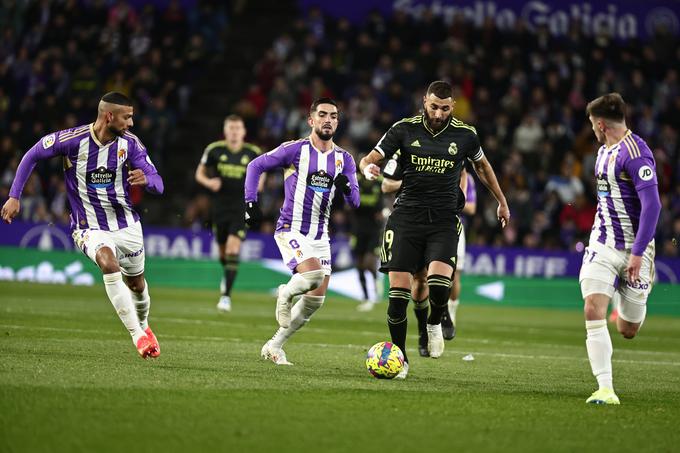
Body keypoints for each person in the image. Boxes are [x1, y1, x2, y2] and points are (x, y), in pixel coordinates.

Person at [359, 81, 509, 378]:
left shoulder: (466, 135)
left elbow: (483, 168)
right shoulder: (403, 129)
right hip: (405, 219)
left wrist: (501, 201)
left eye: (444, 108)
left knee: (440, 285)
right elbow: (370, 158)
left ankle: (434, 322)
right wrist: (367, 168)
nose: (438, 113)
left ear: (452, 107)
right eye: (433, 107)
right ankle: (400, 360)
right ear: (423, 102)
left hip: (443, 220)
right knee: (398, 294)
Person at [1, 92, 163, 359]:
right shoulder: (72, 140)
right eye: (127, 117)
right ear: (109, 116)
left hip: (126, 225)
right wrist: (14, 195)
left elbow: (159, 181)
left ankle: (144, 325)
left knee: (136, 284)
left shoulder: (130, 145)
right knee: (108, 263)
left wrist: (147, 180)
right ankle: (138, 336)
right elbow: (32, 155)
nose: (131, 123)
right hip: (88, 226)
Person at [243, 97, 360, 365]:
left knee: (315, 301)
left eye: (333, 115)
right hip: (291, 229)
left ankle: (274, 346)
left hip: (321, 236)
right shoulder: (295, 150)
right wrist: (251, 202)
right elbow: (255, 165)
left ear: (338, 122)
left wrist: (345, 187)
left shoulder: (345, 159)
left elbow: (355, 201)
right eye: (322, 114)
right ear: (311, 120)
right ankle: (285, 292)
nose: (327, 119)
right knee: (313, 275)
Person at [580, 93, 661, 405]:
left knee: (628, 328)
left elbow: (653, 206)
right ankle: (605, 388)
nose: (592, 130)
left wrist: (638, 253)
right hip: (602, 242)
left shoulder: (636, 154)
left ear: (600, 124)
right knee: (591, 307)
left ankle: (624, 298)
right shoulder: (603, 151)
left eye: (592, 124)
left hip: (635, 250)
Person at [381, 150, 475, 355]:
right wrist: (412, 183)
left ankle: (440, 317)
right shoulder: (405, 149)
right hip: (409, 222)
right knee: (418, 280)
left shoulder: (454, 145)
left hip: (441, 222)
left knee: (440, 277)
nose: (437, 116)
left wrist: (457, 202)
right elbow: (386, 185)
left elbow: (464, 173)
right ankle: (423, 331)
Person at [195, 115, 261, 312]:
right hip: (219, 207)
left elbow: (262, 173)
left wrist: (256, 188)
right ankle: (227, 274)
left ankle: (226, 297)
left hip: (241, 207)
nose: (234, 131)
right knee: (223, 253)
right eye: (231, 128)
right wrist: (209, 182)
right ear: (226, 131)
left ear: (243, 132)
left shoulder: (252, 152)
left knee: (233, 249)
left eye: (237, 128)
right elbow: (199, 173)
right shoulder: (215, 149)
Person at [442, 169, 477, 340]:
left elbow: (471, 207)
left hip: (456, 227)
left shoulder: (466, 178)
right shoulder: (438, 169)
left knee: (454, 274)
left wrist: (449, 202)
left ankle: (451, 311)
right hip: (433, 224)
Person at [353, 160, 385, 312]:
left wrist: (385, 211)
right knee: (359, 265)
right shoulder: (357, 181)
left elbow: (388, 196)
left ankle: (375, 284)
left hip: (374, 229)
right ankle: (365, 297)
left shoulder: (380, 182)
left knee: (368, 262)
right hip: (358, 228)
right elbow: (352, 202)